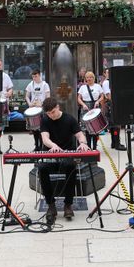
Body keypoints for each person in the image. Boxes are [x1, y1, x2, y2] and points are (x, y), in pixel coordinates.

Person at [37, 96, 90, 224]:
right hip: (50, 154)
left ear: (58, 107)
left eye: (53, 112)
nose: (51, 115)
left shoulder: (69, 119)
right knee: (42, 169)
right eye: (48, 113)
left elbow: (80, 135)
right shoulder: (45, 120)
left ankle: (68, 205)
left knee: (70, 167)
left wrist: (82, 143)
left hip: (67, 154)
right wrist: (53, 146)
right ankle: (51, 205)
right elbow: (45, 139)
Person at [76, 71, 104, 151]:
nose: (89, 79)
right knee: (87, 128)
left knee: (95, 128)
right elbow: (78, 98)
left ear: (93, 78)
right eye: (87, 77)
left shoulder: (98, 86)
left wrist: (98, 101)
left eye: (91, 77)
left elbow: (102, 96)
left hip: (95, 106)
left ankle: (95, 147)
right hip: (86, 107)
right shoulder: (82, 87)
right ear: (85, 79)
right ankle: (88, 146)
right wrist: (83, 104)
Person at [24, 69, 51, 151]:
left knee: (42, 128)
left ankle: (43, 145)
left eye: (36, 76)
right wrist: (29, 104)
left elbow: (48, 97)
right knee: (34, 128)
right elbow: (27, 96)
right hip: (33, 109)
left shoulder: (44, 85)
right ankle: (36, 145)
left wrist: (42, 104)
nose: (34, 78)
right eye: (33, 77)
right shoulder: (30, 84)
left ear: (39, 75)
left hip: (41, 109)